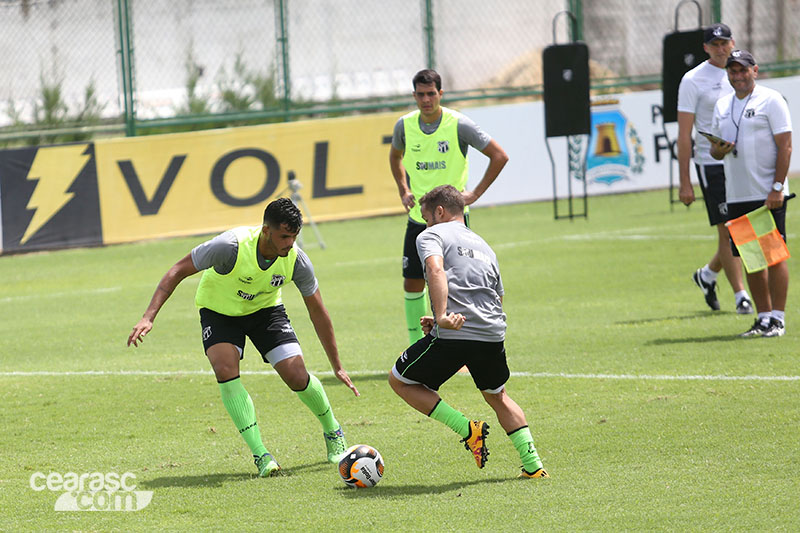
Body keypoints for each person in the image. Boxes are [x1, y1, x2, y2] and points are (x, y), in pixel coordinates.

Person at [127, 197, 359, 476]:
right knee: (225, 368)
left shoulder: (297, 260)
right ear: (266, 230)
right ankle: (261, 455)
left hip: (266, 312)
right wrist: (148, 316)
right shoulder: (229, 247)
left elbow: (318, 311)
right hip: (219, 311)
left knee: (296, 375)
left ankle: (333, 430)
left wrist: (337, 365)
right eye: (284, 237)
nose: (290, 243)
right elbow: (178, 270)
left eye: (294, 237)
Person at [388, 185, 548, 479]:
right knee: (498, 395)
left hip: (456, 332)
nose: (426, 225)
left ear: (439, 212)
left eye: (427, 218)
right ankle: (534, 466)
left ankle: (467, 429)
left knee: (400, 381)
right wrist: (442, 319)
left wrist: (441, 317)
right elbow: (496, 296)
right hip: (492, 332)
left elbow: (436, 270)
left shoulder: (431, 235)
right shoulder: (485, 246)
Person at [389, 68, 509, 344]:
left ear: (441, 93)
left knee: (457, 284)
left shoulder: (459, 124)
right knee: (413, 283)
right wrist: (404, 189)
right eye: (421, 94)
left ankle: (459, 342)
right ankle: (417, 343)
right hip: (419, 219)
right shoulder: (404, 126)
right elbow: (394, 156)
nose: (426, 100)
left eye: (431, 94)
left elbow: (499, 156)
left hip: (454, 223)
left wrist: (475, 193)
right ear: (414, 96)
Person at [709, 50, 792, 337]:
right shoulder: (722, 105)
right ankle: (763, 318)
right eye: (733, 71)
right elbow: (714, 152)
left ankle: (778, 319)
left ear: (754, 71)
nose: (738, 76)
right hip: (737, 193)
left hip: (767, 194)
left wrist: (777, 187)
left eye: (743, 70)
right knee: (751, 259)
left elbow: (786, 146)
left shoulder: (771, 99)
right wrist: (719, 149)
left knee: (773, 257)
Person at [677, 23, 752, 314]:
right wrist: (685, 181)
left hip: (744, 161)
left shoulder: (741, 71)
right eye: (715, 44)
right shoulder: (693, 80)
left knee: (746, 225)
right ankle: (741, 295)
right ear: (706, 48)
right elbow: (684, 134)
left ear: (732, 43)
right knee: (729, 228)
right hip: (712, 164)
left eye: (725, 43)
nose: (721, 49)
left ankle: (708, 274)